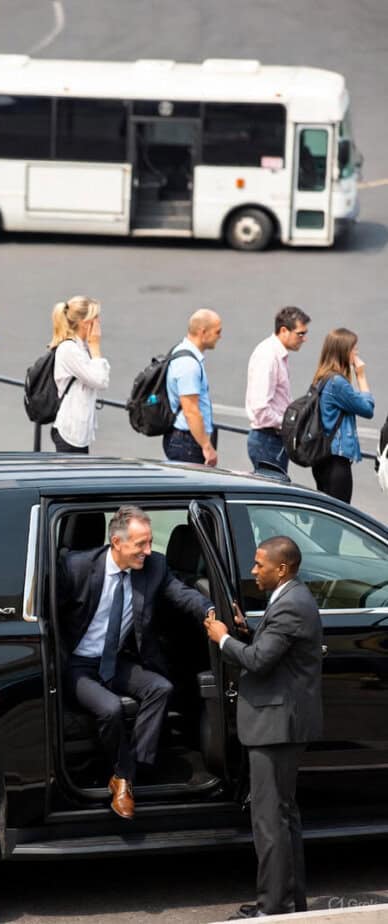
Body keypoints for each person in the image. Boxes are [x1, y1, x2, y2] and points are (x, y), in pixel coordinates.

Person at [58, 505, 215, 819]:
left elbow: (182, 594)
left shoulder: (154, 566)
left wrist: (210, 610)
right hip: (77, 665)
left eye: (150, 542)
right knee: (111, 708)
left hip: (115, 662)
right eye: (140, 544)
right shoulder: (76, 567)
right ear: (116, 543)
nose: (148, 550)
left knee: (161, 688)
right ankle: (122, 774)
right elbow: (53, 618)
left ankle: (133, 772)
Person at [204, 536, 322, 919]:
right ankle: (288, 903)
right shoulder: (290, 598)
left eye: (259, 564)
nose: (253, 570)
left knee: (270, 822)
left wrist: (223, 639)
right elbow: (272, 647)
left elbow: (258, 661)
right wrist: (246, 628)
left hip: (277, 727)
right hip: (279, 724)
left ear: (282, 568)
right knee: (282, 818)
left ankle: (273, 908)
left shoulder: (291, 605)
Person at [310, 328, 374, 503]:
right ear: (344, 351)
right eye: (354, 348)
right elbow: (368, 408)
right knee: (336, 519)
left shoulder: (322, 378)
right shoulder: (337, 383)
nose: (357, 352)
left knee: (327, 516)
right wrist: (360, 376)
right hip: (335, 461)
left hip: (323, 458)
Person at [245, 306, 311, 474]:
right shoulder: (268, 357)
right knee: (270, 495)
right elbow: (260, 408)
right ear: (284, 330)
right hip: (268, 440)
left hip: (270, 440)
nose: (304, 339)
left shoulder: (274, 354)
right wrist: (287, 424)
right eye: (300, 334)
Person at [49, 296, 110, 453]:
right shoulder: (70, 350)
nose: (99, 322)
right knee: (69, 477)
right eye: (96, 317)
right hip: (70, 432)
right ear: (85, 322)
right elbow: (101, 381)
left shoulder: (81, 347)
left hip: (79, 432)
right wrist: (95, 346)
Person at [164, 308, 222, 466]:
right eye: (217, 332)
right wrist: (206, 446)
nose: (220, 337)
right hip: (188, 442)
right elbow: (191, 410)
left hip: (186, 439)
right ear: (203, 332)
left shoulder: (182, 352)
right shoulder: (189, 364)